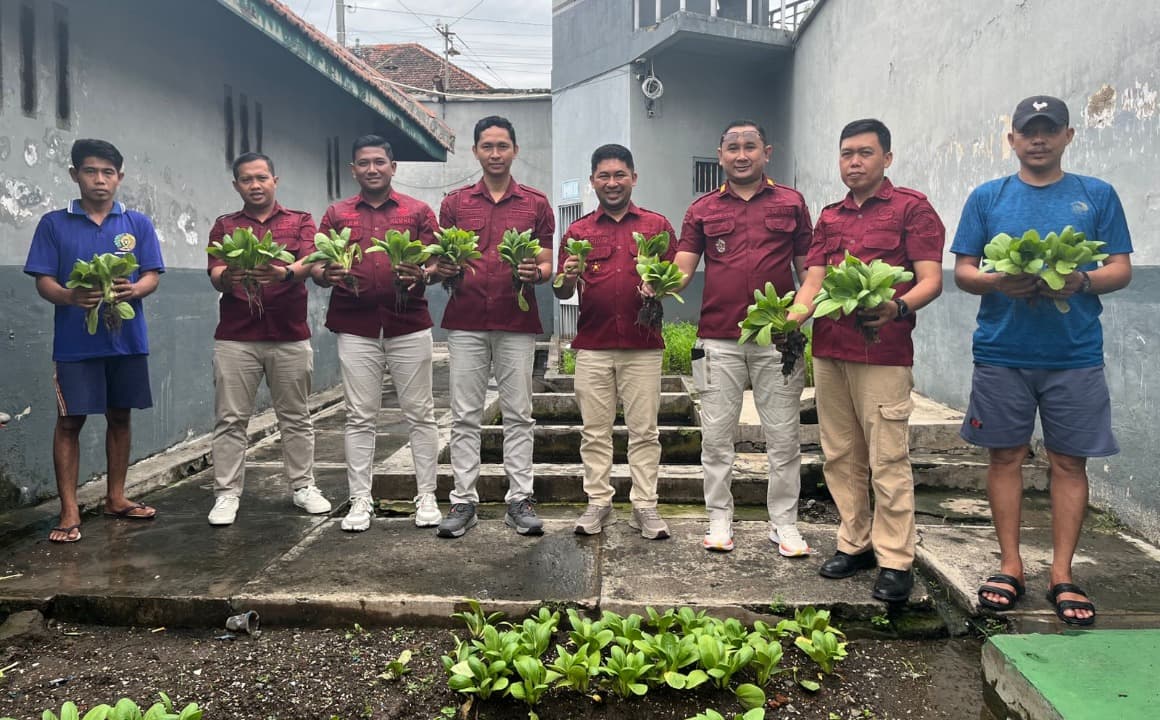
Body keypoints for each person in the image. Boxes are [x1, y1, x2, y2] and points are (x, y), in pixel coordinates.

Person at [952, 96, 1132, 625]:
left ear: (1068, 136)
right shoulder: (988, 198)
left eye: (1048, 130)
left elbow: (1120, 268)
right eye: (1028, 131)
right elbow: (963, 271)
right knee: (1004, 459)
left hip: (1074, 354)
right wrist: (996, 281)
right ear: (1011, 139)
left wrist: (1080, 280)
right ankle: (1010, 565)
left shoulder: (1095, 195)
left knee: (1069, 462)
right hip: (1002, 352)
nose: (1038, 139)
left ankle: (1062, 573)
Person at [793, 119, 944, 603]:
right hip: (831, 350)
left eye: (864, 153)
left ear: (887, 158)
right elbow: (813, 283)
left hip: (883, 352)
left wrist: (899, 307)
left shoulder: (911, 209)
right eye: (846, 154)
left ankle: (896, 558)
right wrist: (787, 319)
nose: (854, 162)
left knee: (887, 457)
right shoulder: (830, 217)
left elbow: (930, 280)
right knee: (840, 454)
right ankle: (854, 542)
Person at [674, 120, 814, 556]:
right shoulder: (702, 210)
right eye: (732, 147)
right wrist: (656, 282)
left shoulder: (791, 203)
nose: (741, 154)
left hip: (779, 340)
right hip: (718, 339)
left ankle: (784, 524)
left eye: (749, 146)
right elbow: (681, 269)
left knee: (784, 438)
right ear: (720, 155)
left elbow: (808, 268)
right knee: (716, 437)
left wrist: (806, 309)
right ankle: (719, 519)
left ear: (766, 152)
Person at [24, 138, 165, 543]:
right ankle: (68, 510)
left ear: (119, 177)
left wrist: (134, 290)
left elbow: (152, 275)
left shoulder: (137, 223)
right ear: (75, 175)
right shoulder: (54, 223)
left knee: (120, 416)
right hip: (76, 342)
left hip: (127, 340)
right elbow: (44, 281)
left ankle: (116, 497)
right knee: (70, 421)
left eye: (108, 172)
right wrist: (70, 296)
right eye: (90, 171)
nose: (100, 180)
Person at [431, 116, 555, 538]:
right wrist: (441, 267)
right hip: (465, 321)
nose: (496, 153)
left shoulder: (535, 204)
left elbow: (547, 263)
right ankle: (463, 501)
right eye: (487, 146)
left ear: (515, 150)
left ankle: (519, 499)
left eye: (503, 145)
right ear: (476, 152)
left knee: (519, 413)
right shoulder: (455, 204)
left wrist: (535, 273)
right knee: (464, 414)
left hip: (516, 321)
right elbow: (437, 260)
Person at [312, 135, 442, 533]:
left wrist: (422, 272)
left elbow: (437, 260)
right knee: (359, 416)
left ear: (393, 166)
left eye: (379, 162)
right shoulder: (337, 214)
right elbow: (317, 267)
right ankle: (360, 499)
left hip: (409, 324)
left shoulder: (417, 211)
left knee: (420, 413)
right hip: (355, 325)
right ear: (353, 169)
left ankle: (427, 495)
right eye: (364, 163)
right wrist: (327, 273)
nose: (372, 169)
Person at [554, 144, 676, 540]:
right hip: (593, 345)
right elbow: (560, 291)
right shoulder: (578, 232)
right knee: (594, 431)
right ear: (592, 182)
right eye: (603, 176)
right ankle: (598, 503)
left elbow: (677, 278)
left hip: (643, 346)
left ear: (633, 178)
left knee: (645, 432)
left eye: (620, 174)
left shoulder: (657, 226)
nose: (612, 182)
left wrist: (658, 284)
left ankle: (645, 506)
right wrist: (569, 277)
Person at [205, 152, 331, 526]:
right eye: (247, 179)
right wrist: (233, 274)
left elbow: (312, 261)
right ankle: (226, 494)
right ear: (236, 185)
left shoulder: (300, 221)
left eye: (262, 178)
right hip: (236, 337)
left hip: (289, 335)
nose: (255, 185)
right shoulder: (225, 225)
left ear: (275, 179)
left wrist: (284, 273)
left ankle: (303, 486)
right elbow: (214, 272)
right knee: (230, 419)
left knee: (295, 416)